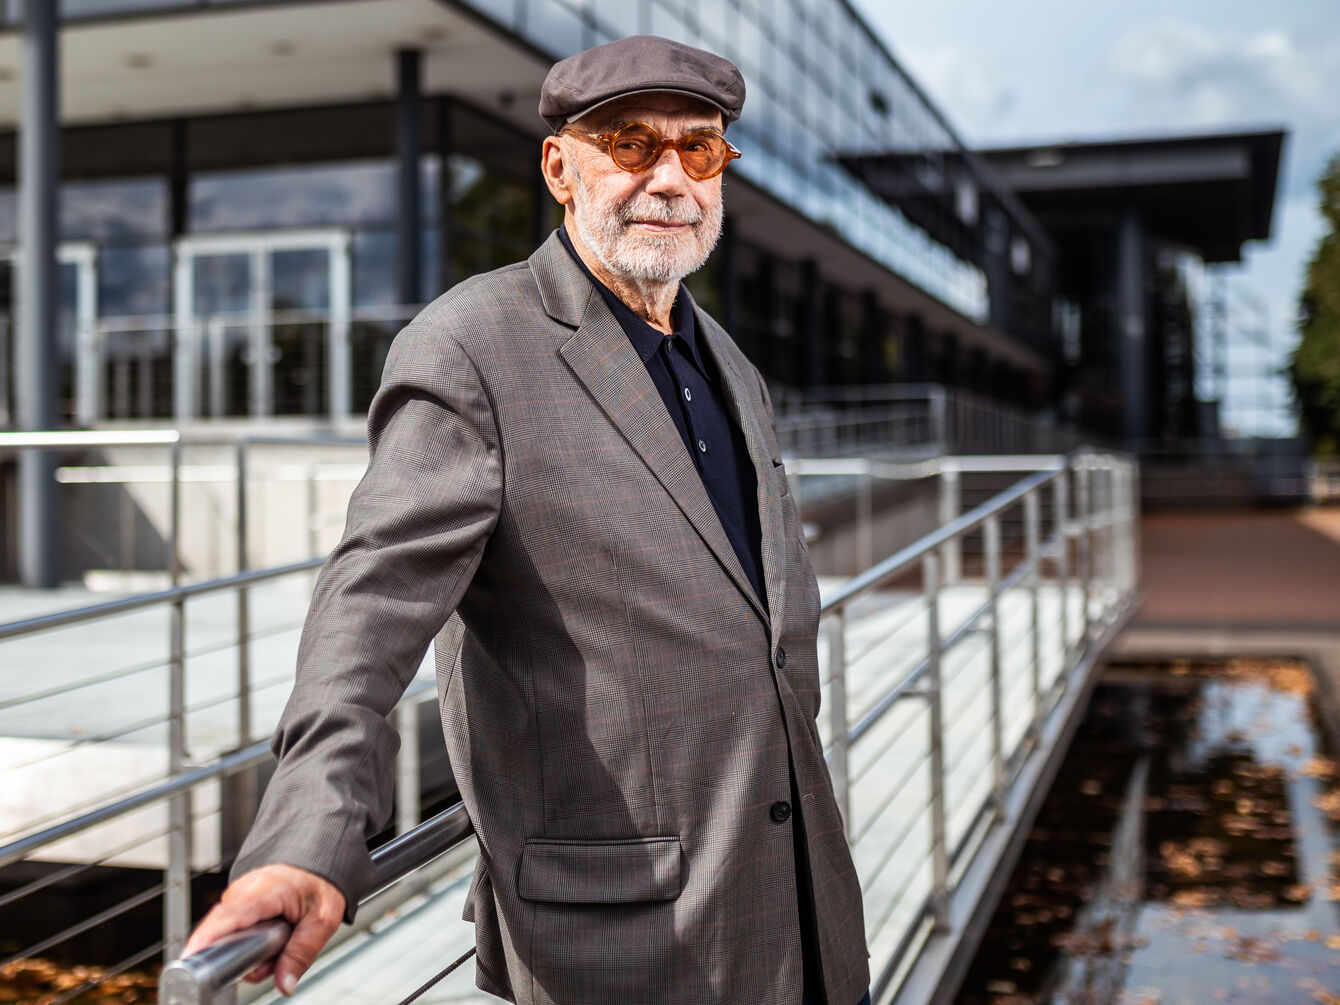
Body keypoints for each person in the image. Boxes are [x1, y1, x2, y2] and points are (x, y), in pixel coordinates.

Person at [184, 34, 871, 1005]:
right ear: (559, 167)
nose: (668, 177)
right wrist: (307, 836)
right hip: (626, 935)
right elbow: (368, 609)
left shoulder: (732, 365)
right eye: (630, 145)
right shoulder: (473, 346)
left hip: (798, 906)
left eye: (699, 149)